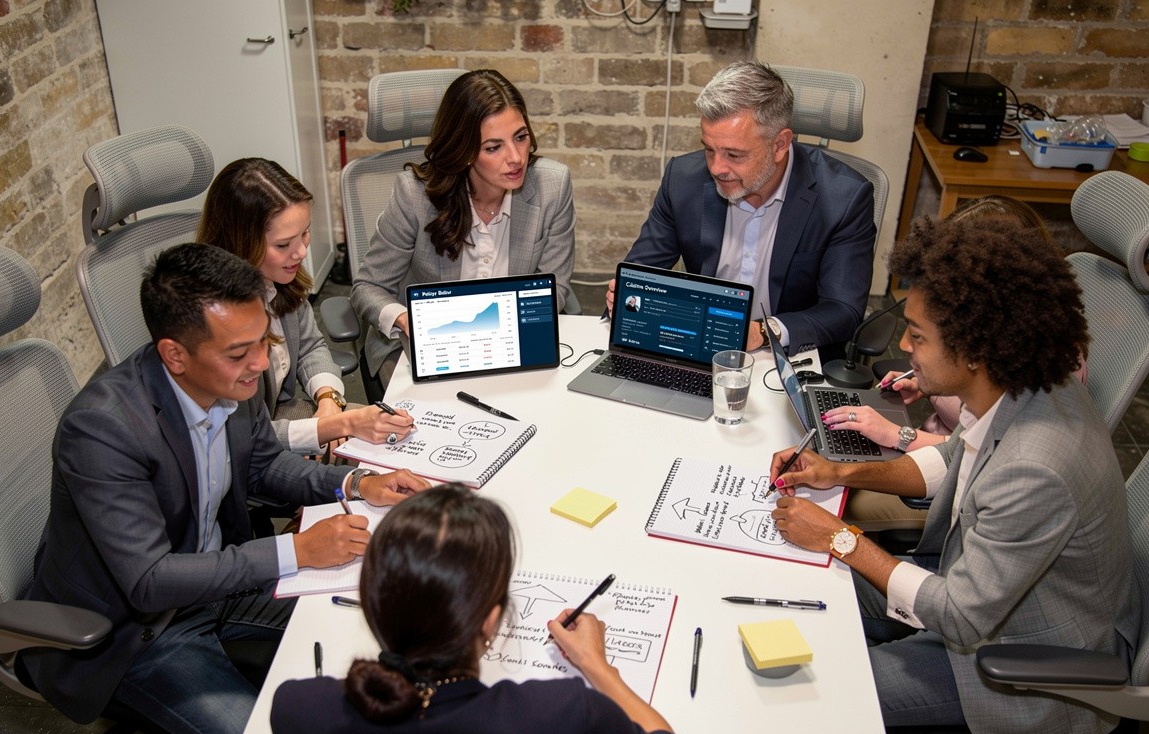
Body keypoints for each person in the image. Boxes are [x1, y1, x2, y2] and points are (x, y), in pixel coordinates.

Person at [19, 243, 429, 734]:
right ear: (174, 355)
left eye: (261, 344)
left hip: (221, 580)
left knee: (383, 620)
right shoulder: (102, 430)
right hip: (133, 630)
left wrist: (352, 486)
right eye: (240, 354)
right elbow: (150, 580)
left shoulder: (227, 376)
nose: (260, 364)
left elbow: (265, 465)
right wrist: (297, 551)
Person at [757, 216, 1140, 734]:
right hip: (982, 587)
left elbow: (963, 618)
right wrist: (839, 473)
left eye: (917, 335)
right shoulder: (1019, 387)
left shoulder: (1039, 463)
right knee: (805, 579)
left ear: (974, 349)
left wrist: (844, 538)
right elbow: (949, 468)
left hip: (1025, 654)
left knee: (828, 687)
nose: (903, 346)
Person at [269, 485, 694, 734]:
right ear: (490, 623)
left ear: (373, 603)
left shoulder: (300, 711)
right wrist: (599, 668)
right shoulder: (562, 720)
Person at [832, 196, 1086, 530]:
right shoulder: (981, 332)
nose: (905, 344)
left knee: (841, 504)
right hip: (935, 453)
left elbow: (982, 456)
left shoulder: (1028, 360)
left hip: (954, 481)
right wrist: (922, 380)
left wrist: (897, 435)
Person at [606, 60, 875, 358]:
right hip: (699, 342)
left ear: (780, 144)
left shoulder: (843, 198)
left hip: (788, 353)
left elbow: (843, 310)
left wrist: (763, 331)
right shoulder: (683, 179)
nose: (717, 168)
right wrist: (627, 291)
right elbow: (642, 271)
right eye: (710, 149)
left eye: (734, 154)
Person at [351, 69, 577, 387]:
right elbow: (367, 288)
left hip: (515, 344)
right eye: (493, 147)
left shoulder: (553, 185)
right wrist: (406, 320)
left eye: (521, 137)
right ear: (464, 151)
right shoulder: (415, 194)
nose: (516, 158)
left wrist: (496, 337)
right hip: (426, 348)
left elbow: (556, 291)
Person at [198, 157, 414, 454]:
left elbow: (311, 347)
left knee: (405, 442)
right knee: (387, 457)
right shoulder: (217, 317)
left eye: (305, 233)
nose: (300, 251)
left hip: (283, 418)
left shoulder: (276, 279)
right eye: (283, 245)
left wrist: (329, 398)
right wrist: (335, 425)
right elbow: (241, 438)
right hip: (252, 451)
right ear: (241, 242)